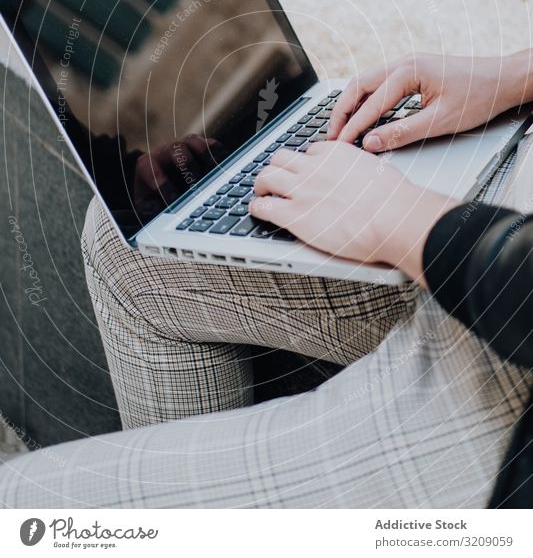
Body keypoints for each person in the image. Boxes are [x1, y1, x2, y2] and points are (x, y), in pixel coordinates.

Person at [0, 51, 532, 509]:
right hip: (509, 215)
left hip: (507, 385)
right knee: (127, 240)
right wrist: (516, 74)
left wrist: (401, 218)